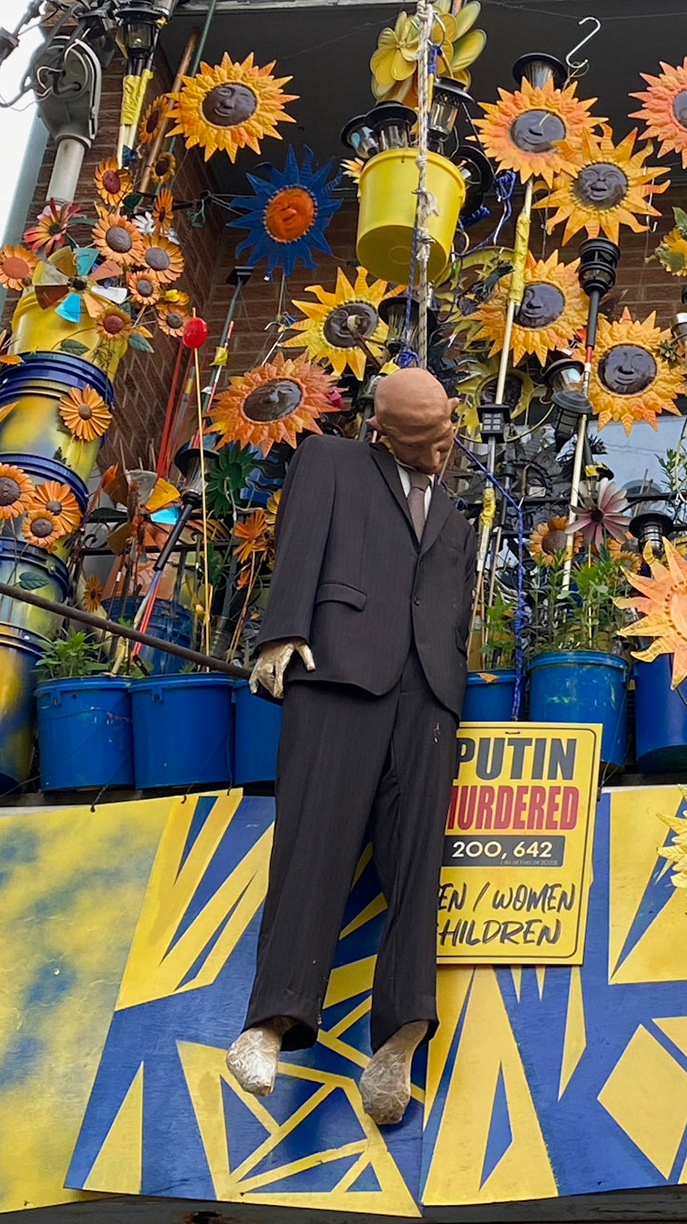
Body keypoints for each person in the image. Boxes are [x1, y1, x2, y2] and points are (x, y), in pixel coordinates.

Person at [225, 367, 476, 1125]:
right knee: (312, 845)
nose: (442, 448)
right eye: (426, 437)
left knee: (419, 868)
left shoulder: (459, 515)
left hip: (428, 693)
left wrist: (454, 679)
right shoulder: (330, 461)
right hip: (335, 671)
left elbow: (453, 605)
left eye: (446, 432)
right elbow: (297, 543)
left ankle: (397, 1044)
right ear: (381, 429)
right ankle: (266, 1025)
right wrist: (283, 630)